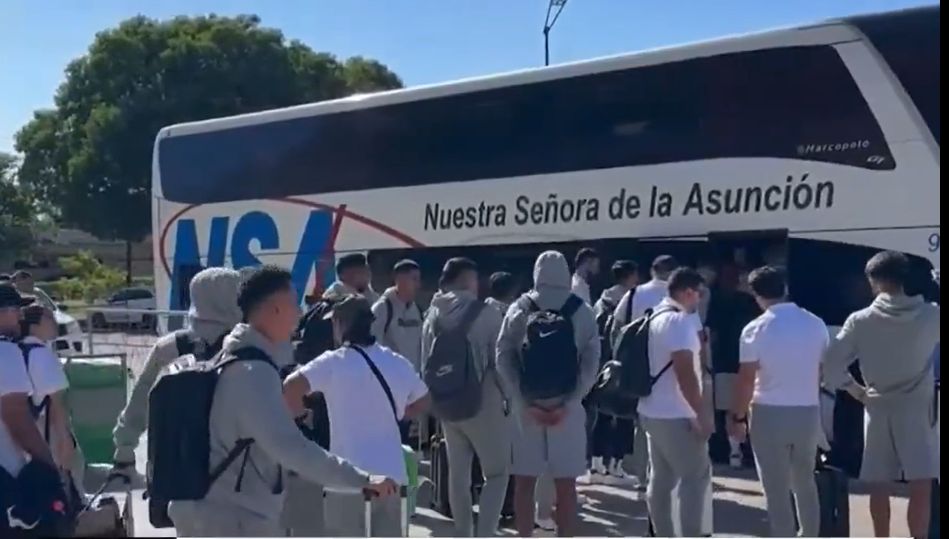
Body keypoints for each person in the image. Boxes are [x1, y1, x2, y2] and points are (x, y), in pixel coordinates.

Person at [168, 266, 397, 537]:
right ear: (274, 309)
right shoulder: (252, 372)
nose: (299, 315)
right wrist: (362, 479)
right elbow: (291, 448)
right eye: (293, 304)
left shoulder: (239, 359)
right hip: (232, 523)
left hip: (224, 517)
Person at [284, 294, 429, 536]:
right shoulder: (396, 361)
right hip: (391, 476)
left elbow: (290, 388)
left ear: (341, 324)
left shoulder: (332, 362)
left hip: (347, 478)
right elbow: (424, 399)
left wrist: (301, 415)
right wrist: (399, 414)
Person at [822, 251, 940, 539]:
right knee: (921, 483)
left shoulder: (860, 320)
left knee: (879, 483)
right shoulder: (931, 314)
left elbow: (831, 363)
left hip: (876, 405)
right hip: (918, 407)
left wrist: (856, 391)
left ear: (874, 281)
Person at [497, 250, 600, 537]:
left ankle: (526, 535)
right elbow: (592, 362)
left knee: (525, 483)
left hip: (526, 409)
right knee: (566, 485)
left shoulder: (520, 307)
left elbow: (503, 356)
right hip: (567, 408)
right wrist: (571, 401)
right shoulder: (581, 310)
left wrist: (521, 401)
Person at [112, 267, 244, 470]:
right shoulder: (252, 344)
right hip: (238, 464)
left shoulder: (170, 346)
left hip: (177, 465)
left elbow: (140, 399)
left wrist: (124, 449)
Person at [728, 266, 827, 537]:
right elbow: (819, 370)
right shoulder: (815, 323)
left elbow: (746, 379)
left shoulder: (754, 329)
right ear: (784, 287)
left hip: (768, 411)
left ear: (755, 294)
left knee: (775, 486)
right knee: (805, 481)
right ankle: (810, 534)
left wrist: (737, 417)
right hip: (807, 410)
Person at [422, 257, 512, 537]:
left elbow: (424, 361)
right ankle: (485, 533)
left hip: (446, 404)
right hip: (481, 402)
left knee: (458, 476)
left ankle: (463, 532)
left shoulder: (432, 314)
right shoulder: (485, 312)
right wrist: (508, 398)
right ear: (467, 279)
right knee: (496, 473)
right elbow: (500, 363)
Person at [638, 267, 712, 538]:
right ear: (688, 292)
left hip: (651, 409)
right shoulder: (679, 322)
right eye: (699, 294)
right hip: (676, 413)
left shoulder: (654, 316)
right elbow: (685, 372)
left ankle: (663, 533)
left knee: (661, 479)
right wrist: (700, 414)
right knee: (694, 478)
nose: (701, 300)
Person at [1, 284, 63, 538]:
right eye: (16, 310)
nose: (19, 318)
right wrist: (49, 467)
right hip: (8, 479)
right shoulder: (5, 351)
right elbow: (17, 419)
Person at [589, 260, 640, 483]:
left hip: (603, 365)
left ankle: (596, 465)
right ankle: (617, 466)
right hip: (625, 365)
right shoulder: (631, 300)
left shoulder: (602, 300)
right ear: (630, 276)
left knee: (602, 413)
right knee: (625, 416)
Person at [706, 264, 760, 468]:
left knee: (730, 408)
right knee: (743, 407)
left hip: (726, 362)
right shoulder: (749, 302)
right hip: (746, 362)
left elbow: (713, 334)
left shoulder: (717, 300)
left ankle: (735, 451)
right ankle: (740, 451)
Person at [19, 305, 76, 475]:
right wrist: (65, 440)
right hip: (44, 433)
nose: (55, 323)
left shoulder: (17, 350)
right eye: (49, 318)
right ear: (34, 325)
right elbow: (56, 403)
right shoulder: (41, 354)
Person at [371, 260, 424, 372]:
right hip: (390, 377)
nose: (418, 285)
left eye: (418, 280)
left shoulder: (417, 310)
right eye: (413, 279)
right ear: (399, 279)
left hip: (413, 377)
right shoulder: (382, 308)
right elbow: (373, 346)